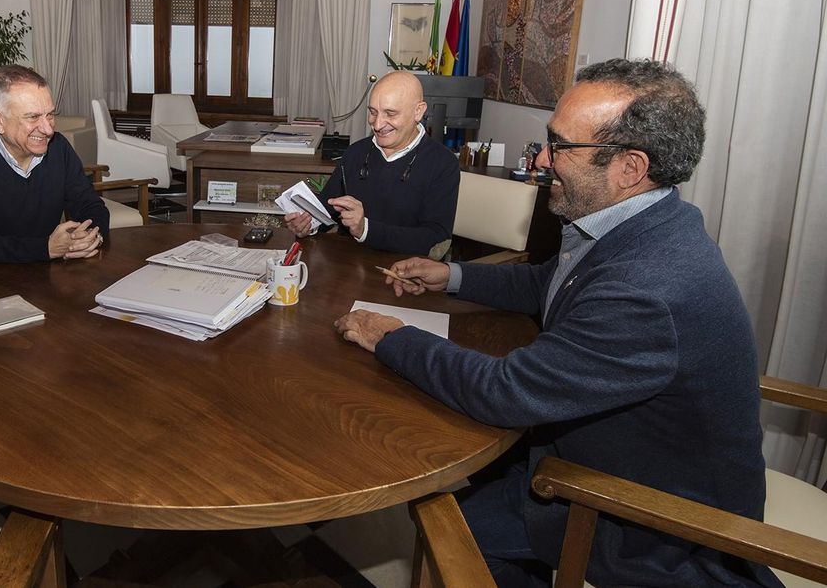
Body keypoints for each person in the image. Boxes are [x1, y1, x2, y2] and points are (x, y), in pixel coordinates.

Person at [334, 59, 779, 587]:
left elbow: (505, 392)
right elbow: (549, 282)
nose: (542, 160)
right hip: (604, 451)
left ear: (629, 169)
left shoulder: (645, 290)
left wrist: (389, 335)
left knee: (449, 523)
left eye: (560, 147)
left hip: (651, 526)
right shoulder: (646, 223)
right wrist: (450, 276)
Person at [284, 70, 459, 256]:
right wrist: (308, 224)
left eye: (390, 114)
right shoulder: (355, 152)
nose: (377, 124)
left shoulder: (443, 163)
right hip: (348, 266)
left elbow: (436, 238)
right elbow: (326, 210)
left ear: (418, 111)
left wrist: (366, 230)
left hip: (404, 272)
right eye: (373, 112)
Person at [0, 65, 108, 263]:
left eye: (50, 115)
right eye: (33, 117)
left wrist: (91, 237)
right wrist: (45, 248)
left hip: (48, 275)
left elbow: (91, 205)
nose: (48, 129)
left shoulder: (58, 147)